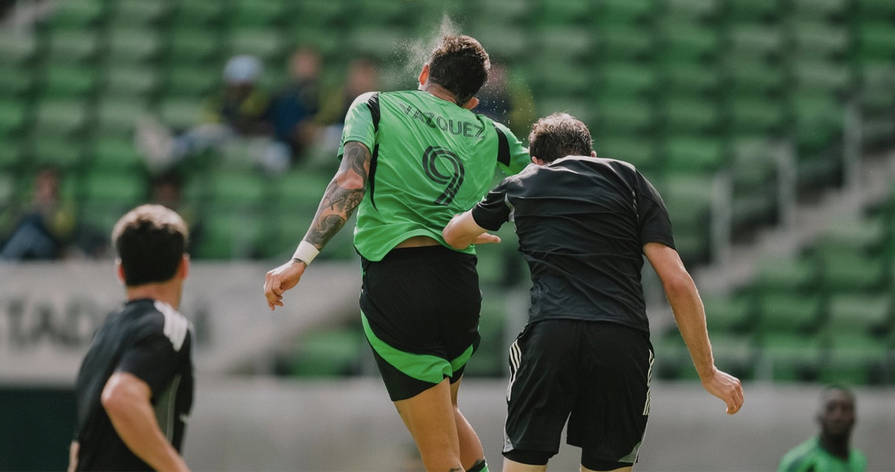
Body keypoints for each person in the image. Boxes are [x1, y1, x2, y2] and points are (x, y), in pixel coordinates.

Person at [264, 35, 531, 472]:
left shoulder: (373, 105)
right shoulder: (494, 133)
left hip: (400, 287)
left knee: (439, 456)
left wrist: (300, 259)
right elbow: (547, 176)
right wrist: (483, 216)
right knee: (447, 420)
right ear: (472, 99)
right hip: (460, 287)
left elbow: (350, 182)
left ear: (424, 73)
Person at [442, 113, 744, 472]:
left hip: (551, 334)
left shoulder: (523, 182)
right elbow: (677, 282)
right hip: (621, 339)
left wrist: (473, 230)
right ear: (593, 156)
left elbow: (453, 234)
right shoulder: (630, 180)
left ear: (537, 161)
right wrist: (707, 371)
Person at [70, 204, 194, 472]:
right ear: (184, 267)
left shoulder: (104, 332)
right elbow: (121, 397)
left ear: (120, 271)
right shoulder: (168, 325)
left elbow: (79, 446)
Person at [137, 54, 267, 172]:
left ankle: (170, 152)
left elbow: (244, 124)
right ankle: (167, 147)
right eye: (234, 83)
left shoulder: (257, 99)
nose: (237, 87)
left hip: (237, 140)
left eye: (242, 84)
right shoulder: (220, 98)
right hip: (214, 135)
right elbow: (208, 119)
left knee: (210, 132)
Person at [776, 386, 866, 472]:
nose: (837, 416)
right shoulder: (800, 462)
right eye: (830, 408)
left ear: (854, 418)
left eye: (845, 409)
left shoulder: (859, 460)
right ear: (819, 417)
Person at [0, 166, 77, 260]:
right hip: (27, 245)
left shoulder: (63, 204)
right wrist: (33, 207)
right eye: (42, 186)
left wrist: (48, 211)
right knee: (27, 231)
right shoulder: (28, 199)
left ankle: (1, 261)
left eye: (49, 186)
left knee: (28, 233)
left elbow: (65, 232)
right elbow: (7, 225)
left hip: (50, 246)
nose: (45, 190)